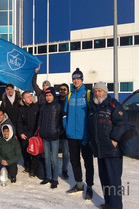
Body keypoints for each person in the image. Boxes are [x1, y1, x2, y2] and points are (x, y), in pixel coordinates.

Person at [88, 82, 133, 209]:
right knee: (104, 179)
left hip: (113, 150)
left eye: (100, 91)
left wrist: (114, 138)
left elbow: (122, 122)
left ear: (105, 92)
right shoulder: (93, 107)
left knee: (114, 181)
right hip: (100, 149)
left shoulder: (113, 105)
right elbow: (91, 126)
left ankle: (116, 206)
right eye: (95, 91)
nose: (97, 93)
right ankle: (109, 203)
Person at [63, 68, 94, 199]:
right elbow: (65, 114)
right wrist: (66, 128)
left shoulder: (87, 94)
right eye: (74, 78)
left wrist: (89, 133)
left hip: (84, 136)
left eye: (78, 78)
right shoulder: (69, 95)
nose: (76, 80)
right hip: (71, 136)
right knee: (74, 161)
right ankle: (79, 184)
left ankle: (90, 187)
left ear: (82, 79)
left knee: (88, 162)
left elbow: (92, 115)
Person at [38, 87, 63, 189]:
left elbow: (62, 122)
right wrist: (40, 130)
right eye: (47, 96)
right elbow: (40, 120)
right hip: (45, 136)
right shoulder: (43, 107)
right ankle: (48, 176)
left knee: (54, 159)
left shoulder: (58, 106)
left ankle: (55, 179)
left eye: (50, 95)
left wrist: (58, 131)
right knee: (47, 158)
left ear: (53, 96)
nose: (48, 98)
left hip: (54, 137)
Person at [17, 91, 40, 177]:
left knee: (35, 153)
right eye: (27, 97)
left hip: (35, 134)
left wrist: (37, 133)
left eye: (30, 96)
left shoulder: (36, 107)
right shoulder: (21, 109)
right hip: (25, 134)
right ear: (23, 99)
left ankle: (33, 170)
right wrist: (21, 133)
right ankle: (27, 166)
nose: (30, 98)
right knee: (25, 151)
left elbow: (39, 121)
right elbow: (19, 123)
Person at [57, 83, 70, 180]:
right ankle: (54, 170)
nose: (62, 91)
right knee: (54, 153)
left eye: (64, 89)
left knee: (66, 153)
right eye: (61, 89)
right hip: (56, 130)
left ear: (67, 91)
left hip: (66, 131)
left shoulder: (69, 101)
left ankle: (64, 170)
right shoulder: (55, 100)